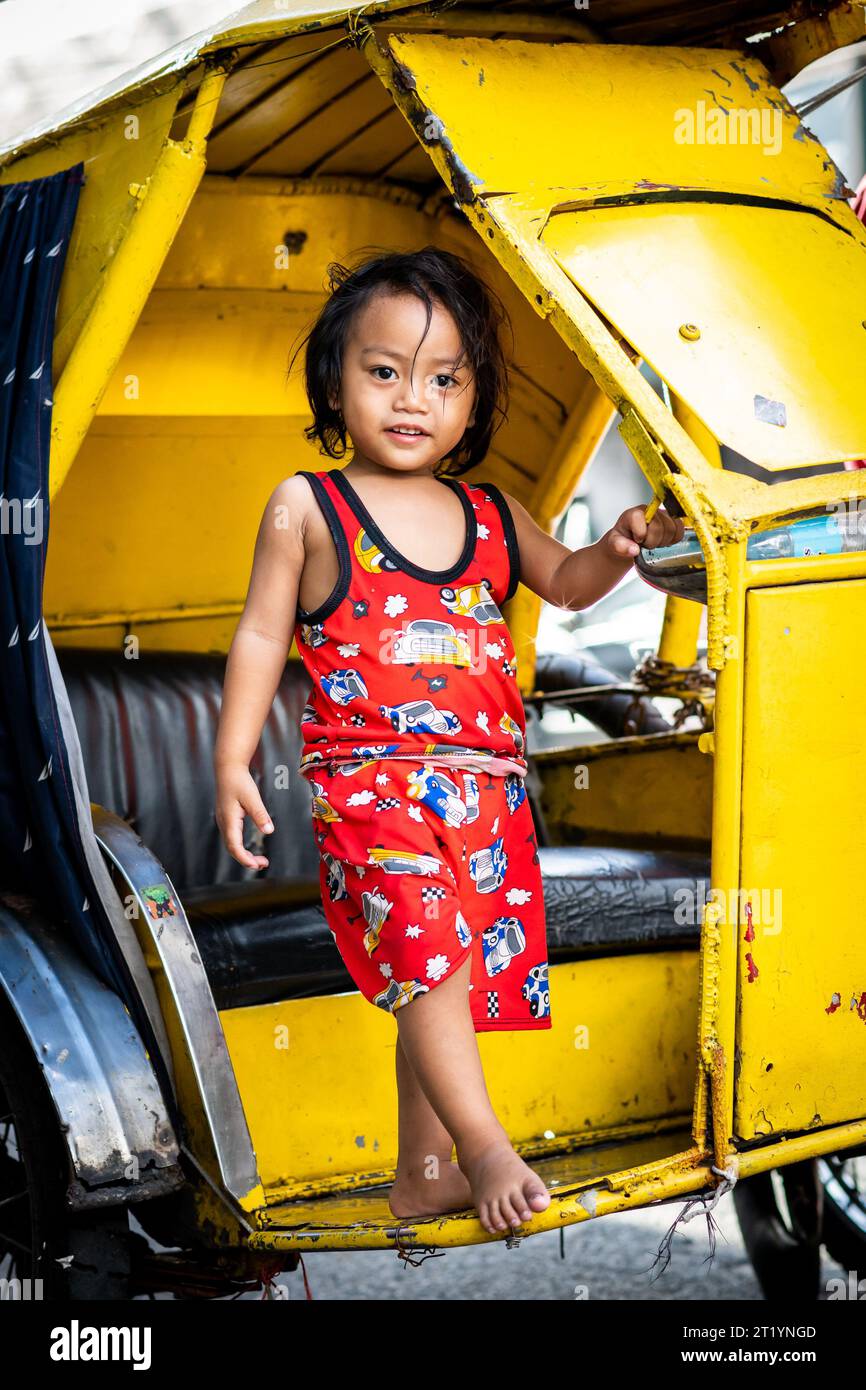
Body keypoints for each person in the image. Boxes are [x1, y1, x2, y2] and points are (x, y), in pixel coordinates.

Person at [213, 247, 684, 1236]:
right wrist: (231, 761)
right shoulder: (308, 505)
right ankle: (480, 1147)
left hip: (487, 796)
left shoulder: (491, 513)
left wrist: (616, 547)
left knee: (452, 978)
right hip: (369, 789)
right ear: (334, 382)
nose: (410, 398)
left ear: (474, 398)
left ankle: (422, 1168)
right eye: (382, 371)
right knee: (425, 953)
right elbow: (259, 632)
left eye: (443, 377)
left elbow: (563, 583)